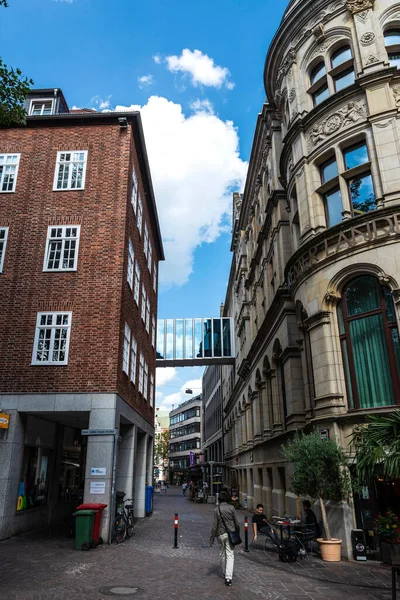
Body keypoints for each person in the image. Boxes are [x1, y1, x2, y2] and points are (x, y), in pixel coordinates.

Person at [210, 490, 240, 587]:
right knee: (230, 555)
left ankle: (223, 571)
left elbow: (214, 526)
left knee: (222, 554)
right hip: (230, 534)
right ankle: (228, 577)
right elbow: (237, 523)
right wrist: (237, 532)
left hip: (220, 534)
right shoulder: (231, 508)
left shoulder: (216, 509)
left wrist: (211, 539)